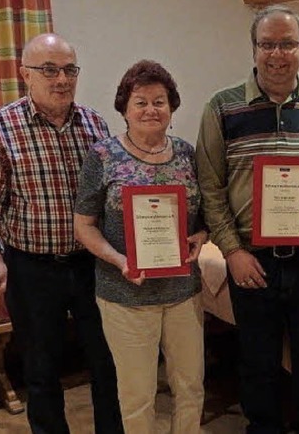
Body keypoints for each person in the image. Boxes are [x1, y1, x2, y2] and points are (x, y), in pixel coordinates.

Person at [196, 4, 299, 434]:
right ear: (254, 49)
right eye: (267, 44)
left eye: (287, 44)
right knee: (258, 365)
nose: (276, 54)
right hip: (251, 261)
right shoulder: (222, 108)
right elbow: (211, 187)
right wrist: (232, 252)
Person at [0, 33, 123, 433]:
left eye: (69, 69)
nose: (62, 79)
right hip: (32, 268)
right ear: (25, 74)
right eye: (49, 70)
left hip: (93, 264)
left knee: (107, 363)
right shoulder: (1, 127)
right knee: (41, 371)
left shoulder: (95, 124)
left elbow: (112, 195)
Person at [74, 60, 207, 434]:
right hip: (125, 296)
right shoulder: (102, 156)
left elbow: (204, 215)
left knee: (191, 387)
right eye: (141, 102)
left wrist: (204, 235)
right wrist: (119, 260)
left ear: (172, 107)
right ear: (124, 108)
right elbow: (83, 225)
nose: (151, 110)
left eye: (160, 101)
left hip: (183, 293)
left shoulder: (186, 153)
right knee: (137, 396)